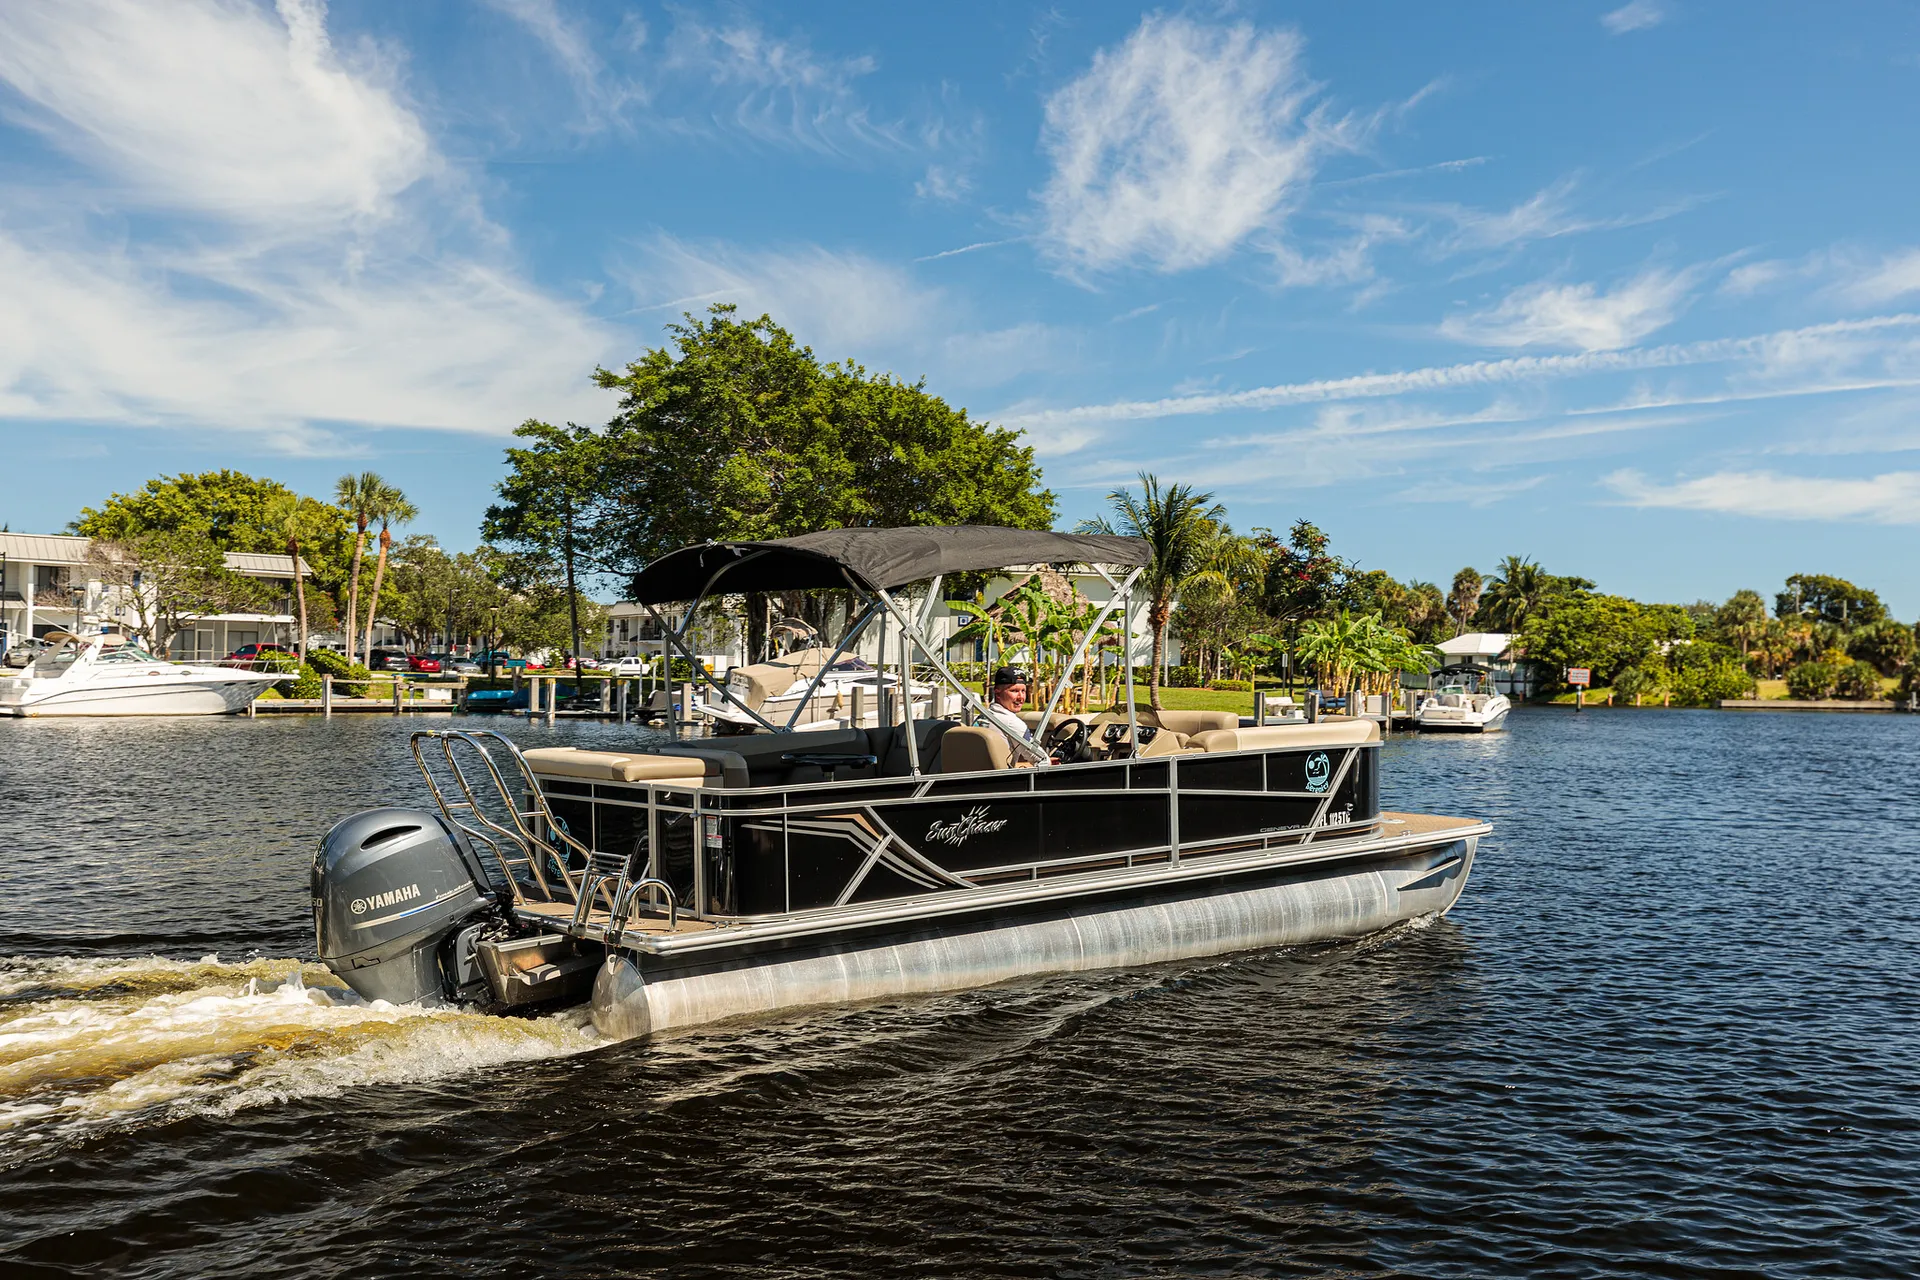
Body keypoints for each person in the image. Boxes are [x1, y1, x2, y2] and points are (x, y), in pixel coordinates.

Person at [977, 666, 1052, 766]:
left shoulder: (982, 718)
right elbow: (1042, 760)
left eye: (1023, 691)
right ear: (997, 693)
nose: (1021, 697)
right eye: (1014, 691)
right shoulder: (1012, 723)